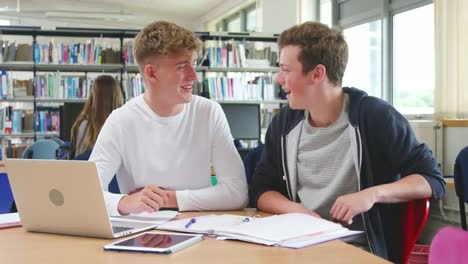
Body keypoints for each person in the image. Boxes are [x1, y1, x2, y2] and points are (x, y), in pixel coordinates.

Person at [250, 21, 446, 262]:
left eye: (286, 70)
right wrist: (298, 212)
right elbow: (261, 189)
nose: (279, 78)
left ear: (317, 74)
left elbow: (432, 179)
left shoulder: (375, 117)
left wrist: (371, 194)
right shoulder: (284, 124)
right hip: (298, 242)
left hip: (358, 250)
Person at [89, 21, 248, 216]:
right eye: (182, 67)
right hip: (144, 234)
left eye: (194, 65)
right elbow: (85, 195)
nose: (194, 76)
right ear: (151, 73)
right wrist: (123, 202)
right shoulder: (121, 120)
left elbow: (237, 191)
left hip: (198, 229)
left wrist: (170, 199)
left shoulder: (209, 112)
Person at [70, 75, 124, 159]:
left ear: (93, 97)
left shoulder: (83, 126)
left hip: (86, 171)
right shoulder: (124, 127)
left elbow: (78, 160)